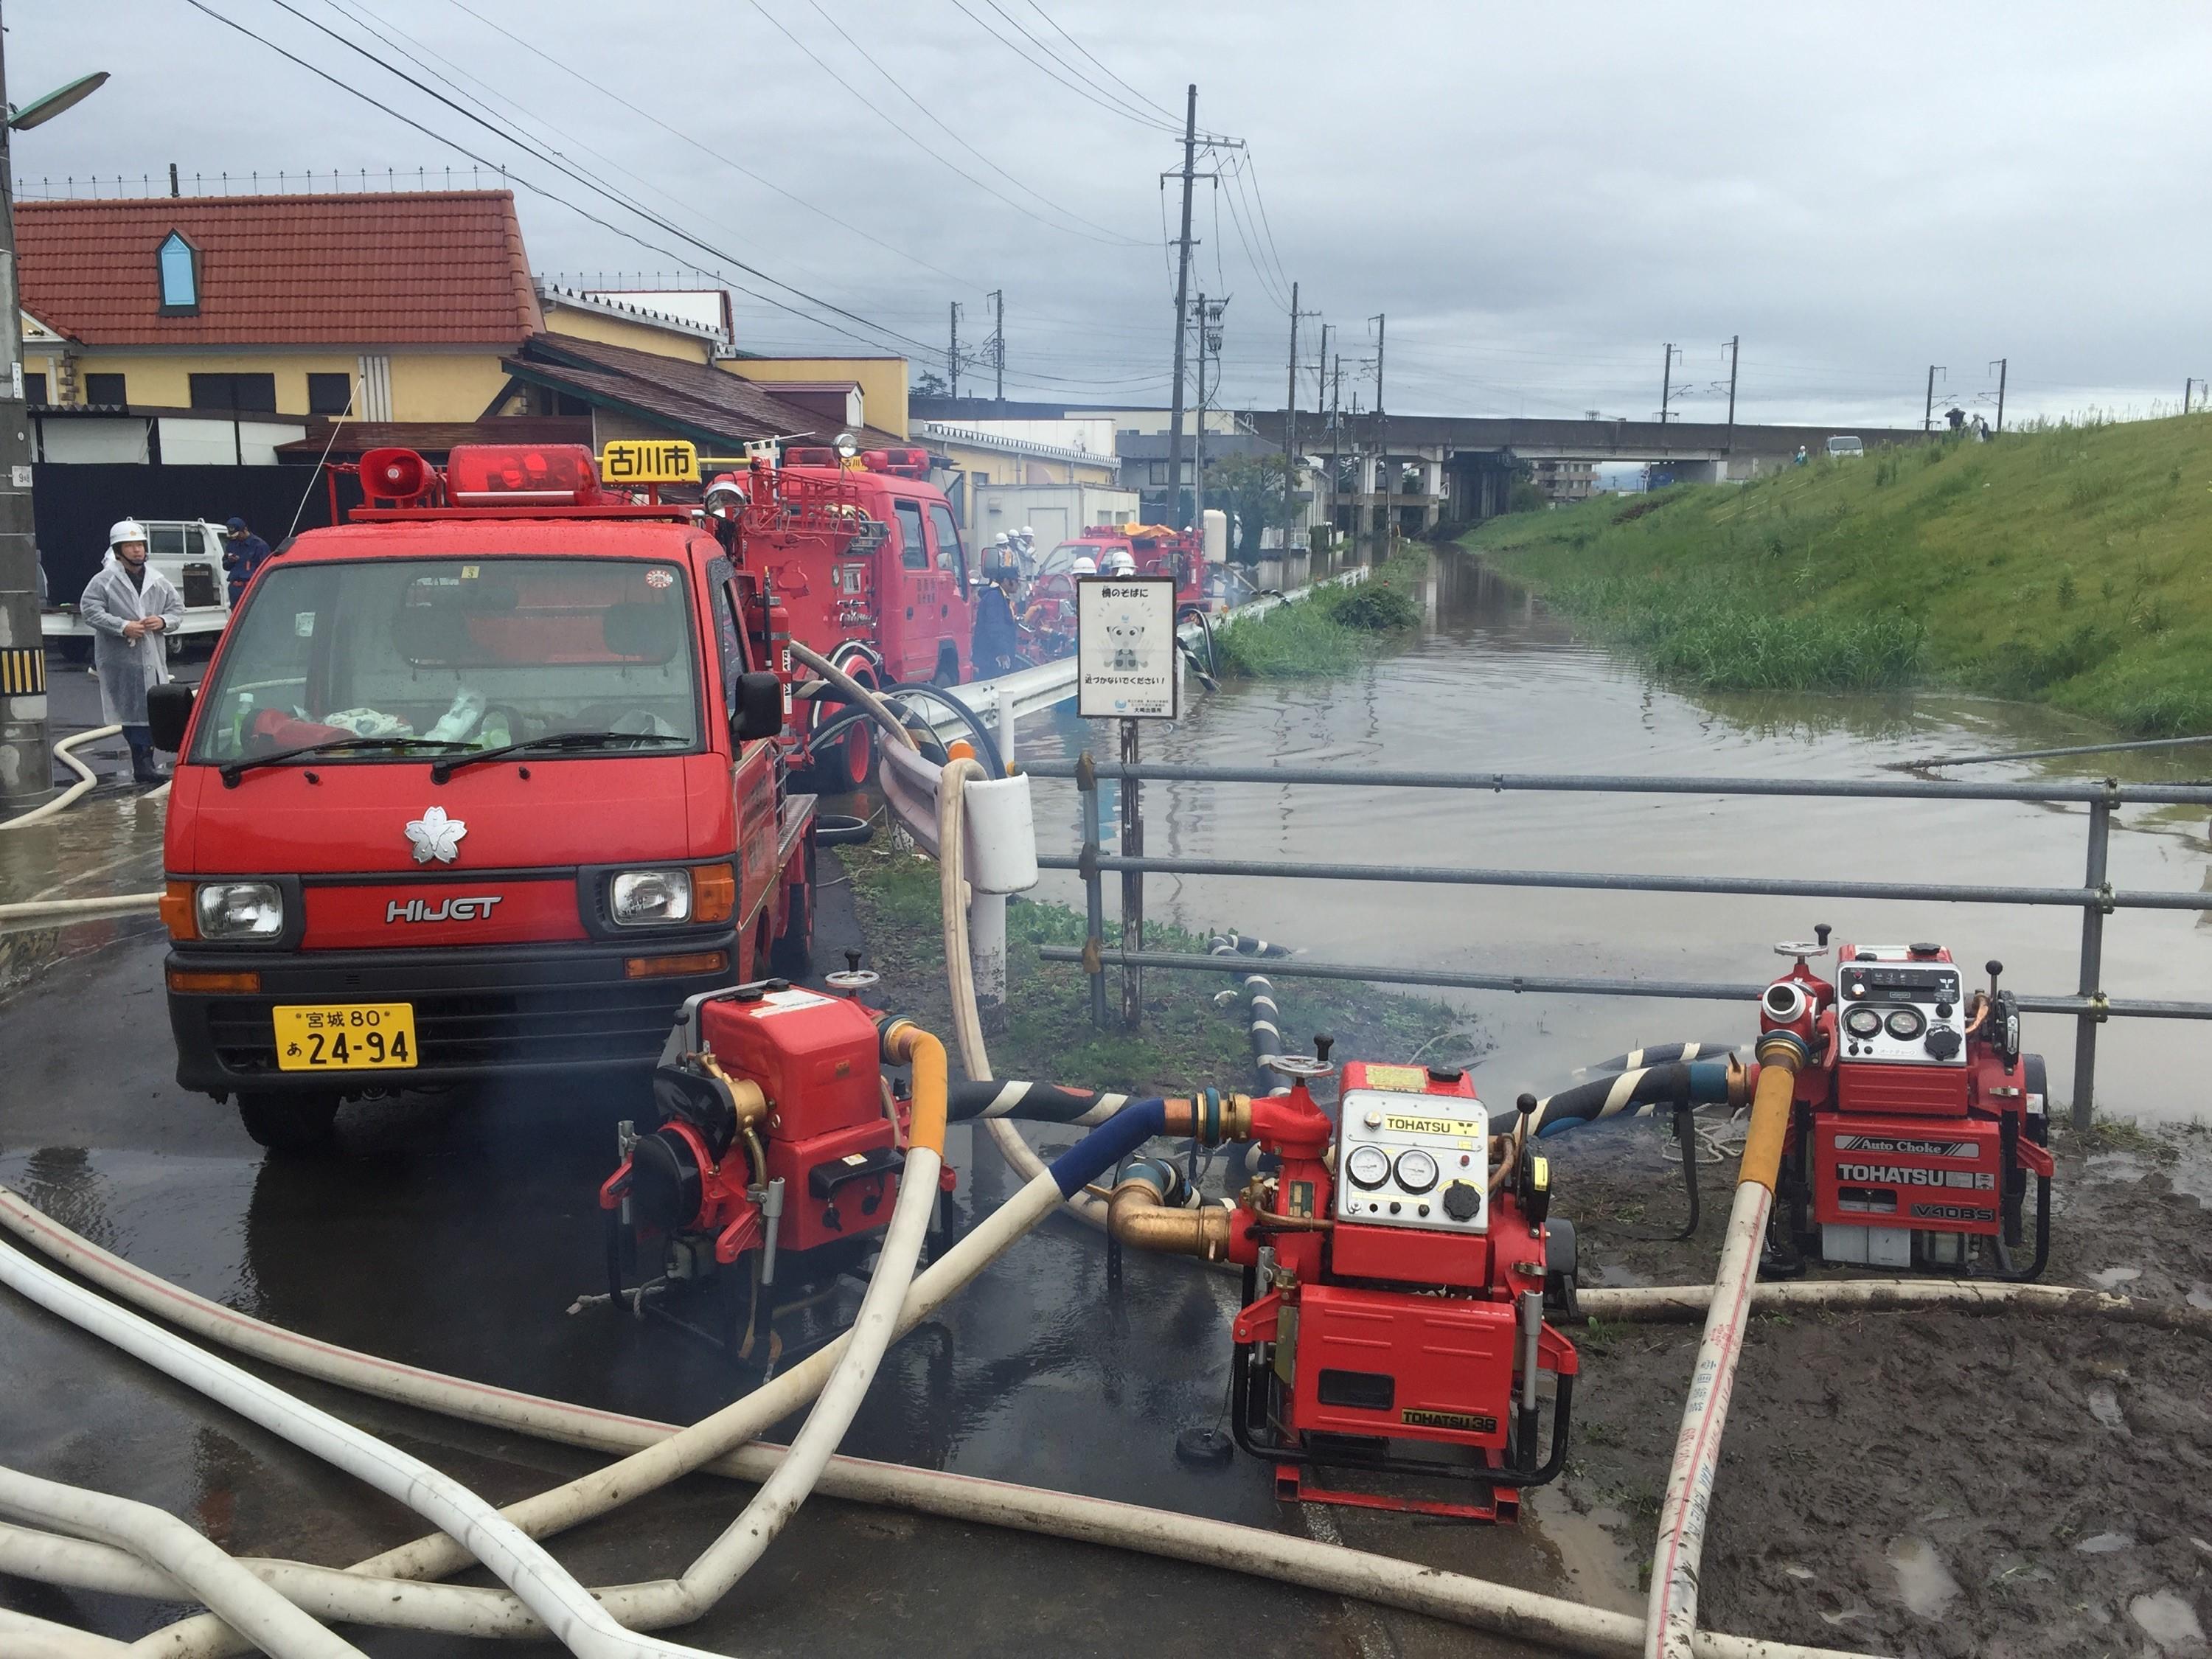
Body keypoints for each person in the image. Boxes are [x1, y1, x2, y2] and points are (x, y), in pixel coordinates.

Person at [80, 518, 184, 785]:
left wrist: (162, 621)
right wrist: (122, 626)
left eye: (140, 544)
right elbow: (90, 610)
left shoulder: (157, 580)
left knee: (151, 709)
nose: (137, 550)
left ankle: (147, 762)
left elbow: (176, 609)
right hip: (121, 660)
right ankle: (142, 764)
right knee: (132, 712)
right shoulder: (103, 581)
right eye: (130, 545)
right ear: (118, 551)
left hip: (152, 655)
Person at [970, 562, 1021, 680]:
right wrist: (1002, 652)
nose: (1017, 585)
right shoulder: (995, 598)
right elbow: (995, 627)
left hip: (994, 657)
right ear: (1006, 581)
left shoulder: (1000, 597)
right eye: (1015, 581)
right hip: (992, 658)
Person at [221, 515, 272, 606]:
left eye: (238, 535)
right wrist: (230, 561)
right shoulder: (232, 545)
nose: (236, 538)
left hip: (251, 587)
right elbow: (225, 566)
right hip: (235, 588)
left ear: (245, 530)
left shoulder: (259, 545)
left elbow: (266, 569)